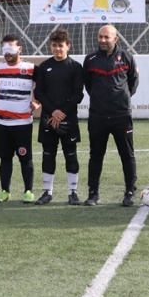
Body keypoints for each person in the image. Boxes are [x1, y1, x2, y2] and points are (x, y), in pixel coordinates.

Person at [82, 24, 139, 206]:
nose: (103, 40)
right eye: (100, 37)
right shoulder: (90, 59)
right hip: (98, 116)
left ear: (116, 39)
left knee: (127, 155)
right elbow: (88, 85)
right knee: (96, 155)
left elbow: (133, 83)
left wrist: (121, 99)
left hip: (121, 115)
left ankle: (130, 192)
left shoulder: (127, 57)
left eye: (107, 37)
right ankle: (93, 194)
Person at [33, 28, 85, 205]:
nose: (57, 49)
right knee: (48, 155)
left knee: (71, 156)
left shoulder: (75, 67)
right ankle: (47, 192)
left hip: (68, 119)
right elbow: (39, 92)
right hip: (48, 118)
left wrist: (61, 113)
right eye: (54, 45)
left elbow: (78, 94)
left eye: (60, 45)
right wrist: (53, 111)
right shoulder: (44, 66)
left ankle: (73, 192)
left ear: (68, 46)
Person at [0, 34, 38, 203]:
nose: (7, 52)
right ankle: (5, 191)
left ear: (20, 49)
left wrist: (37, 102)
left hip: (23, 122)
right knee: (5, 158)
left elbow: (43, 87)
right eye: (5, 49)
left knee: (25, 158)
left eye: (10, 48)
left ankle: (28, 191)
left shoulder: (31, 68)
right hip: (2, 122)